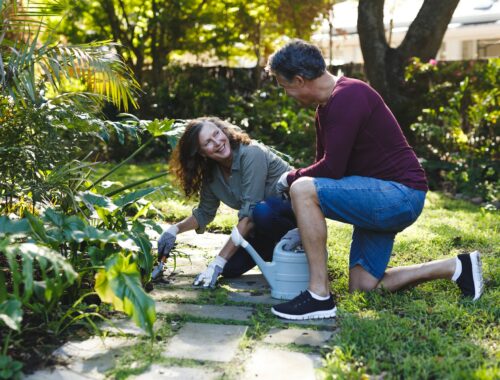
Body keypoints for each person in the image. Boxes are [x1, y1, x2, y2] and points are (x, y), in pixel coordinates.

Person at [265, 39, 484, 320]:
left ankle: (318, 294)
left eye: (286, 87)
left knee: (303, 189)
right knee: (363, 287)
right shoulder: (326, 109)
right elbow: (329, 168)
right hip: (378, 196)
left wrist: (290, 178)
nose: (287, 94)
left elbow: (329, 171)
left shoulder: (350, 95)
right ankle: (456, 267)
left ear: (299, 79)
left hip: (399, 195)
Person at [152, 117, 297, 285]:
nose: (217, 142)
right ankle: (275, 253)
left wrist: (216, 263)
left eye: (217, 134)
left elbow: (250, 214)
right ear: (201, 152)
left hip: (290, 217)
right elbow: (204, 213)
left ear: (223, 131)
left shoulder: (252, 153)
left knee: (261, 212)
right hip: (261, 227)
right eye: (208, 142)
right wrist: (174, 230)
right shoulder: (212, 174)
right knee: (229, 269)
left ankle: (296, 251)